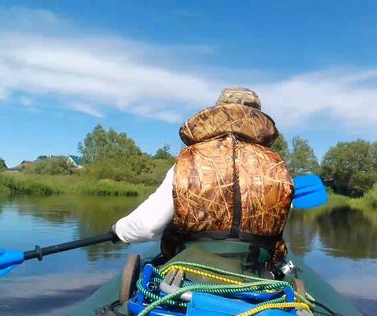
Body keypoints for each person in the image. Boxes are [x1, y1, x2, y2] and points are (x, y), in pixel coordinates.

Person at [113, 87, 294, 261]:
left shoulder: (190, 159)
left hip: (191, 271)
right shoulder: (276, 166)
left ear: (219, 113)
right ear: (258, 118)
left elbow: (147, 227)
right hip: (258, 269)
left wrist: (119, 230)